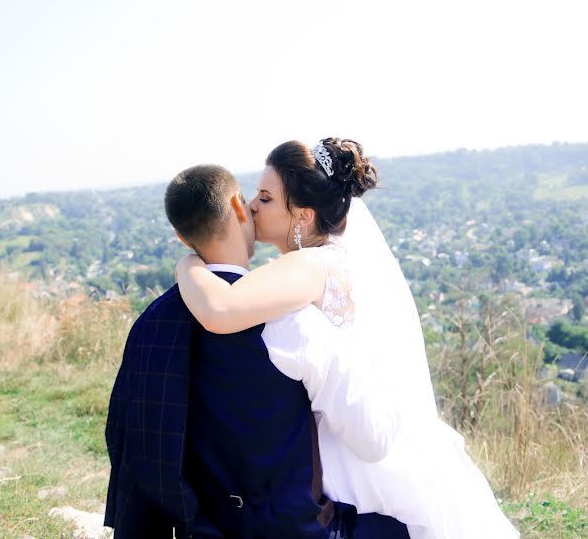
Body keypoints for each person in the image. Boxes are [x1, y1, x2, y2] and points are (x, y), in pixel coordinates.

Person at [176, 139, 521, 539]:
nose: (251, 206)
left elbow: (220, 311)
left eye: (266, 198)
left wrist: (189, 262)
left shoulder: (311, 264)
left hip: (353, 445)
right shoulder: (337, 259)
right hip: (362, 428)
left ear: (302, 215)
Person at [104, 163, 409, 538]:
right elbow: (372, 438)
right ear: (237, 205)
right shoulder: (297, 324)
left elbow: (127, 443)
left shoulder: (151, 324)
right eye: (253, 198)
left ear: (183, 239)